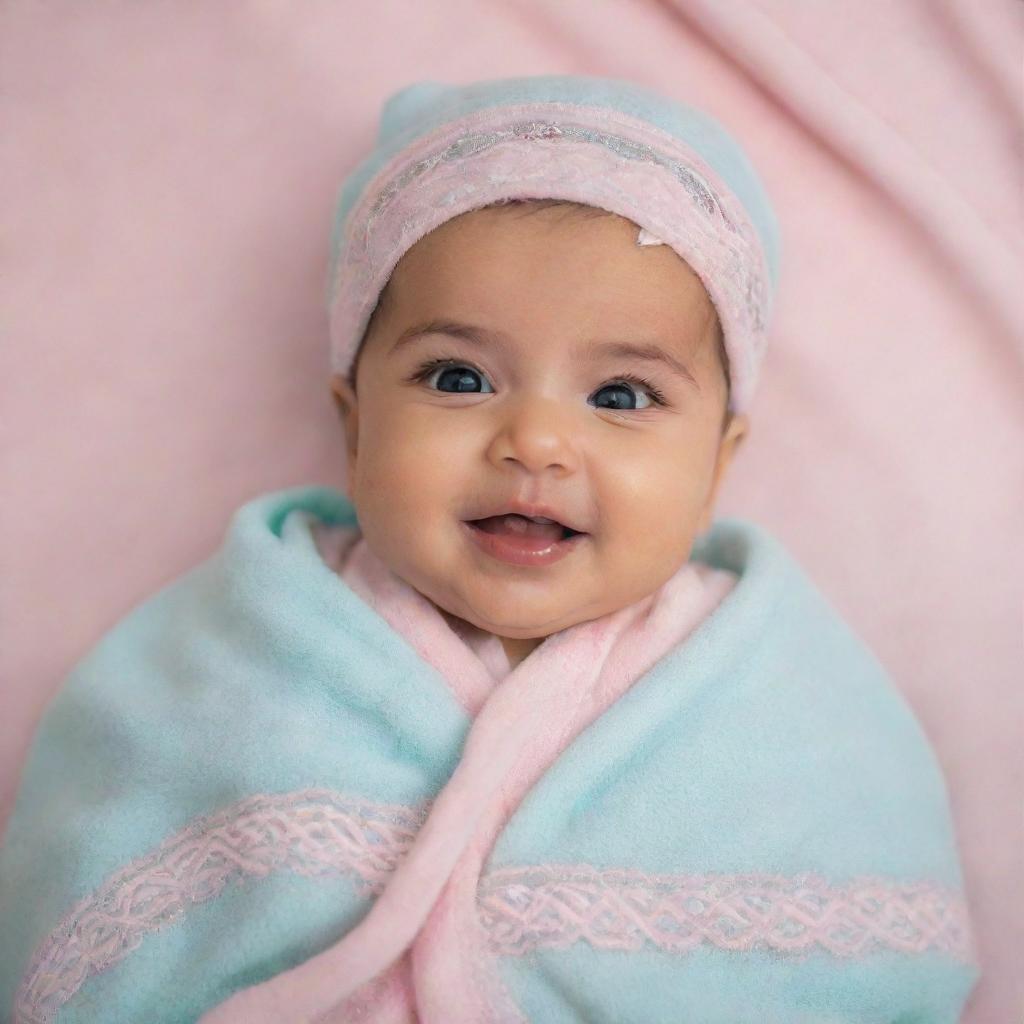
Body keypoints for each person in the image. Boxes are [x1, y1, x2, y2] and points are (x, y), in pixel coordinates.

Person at [0, 74, 978, 1023]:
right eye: (458, 377)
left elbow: (880, 961)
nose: (535, 442)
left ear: (719, 460)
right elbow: (86, 893)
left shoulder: (786, 688)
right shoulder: (222, 656)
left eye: (620, 396)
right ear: (354, 421)